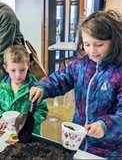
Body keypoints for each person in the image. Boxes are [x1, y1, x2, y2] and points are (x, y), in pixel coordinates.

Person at [29, 10, 122, 159]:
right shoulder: (81, 65)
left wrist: (105, 125)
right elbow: (60, 79)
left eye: (99, 44)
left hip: (107, 150)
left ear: (115, 41)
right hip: (77, 141)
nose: (92, 51)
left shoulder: (119, 72)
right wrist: (43, 87)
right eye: (86, 44)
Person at [0, 45, 48, 135]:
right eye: (13, 70)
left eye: (22, 70)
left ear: (28, 66)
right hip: (7, 133)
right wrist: (1, 116)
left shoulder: (36, 88)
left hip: (29, 134)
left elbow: (42, 111)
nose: (18, 75)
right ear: (6, 68)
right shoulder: (0, 87)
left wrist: (28, 122)